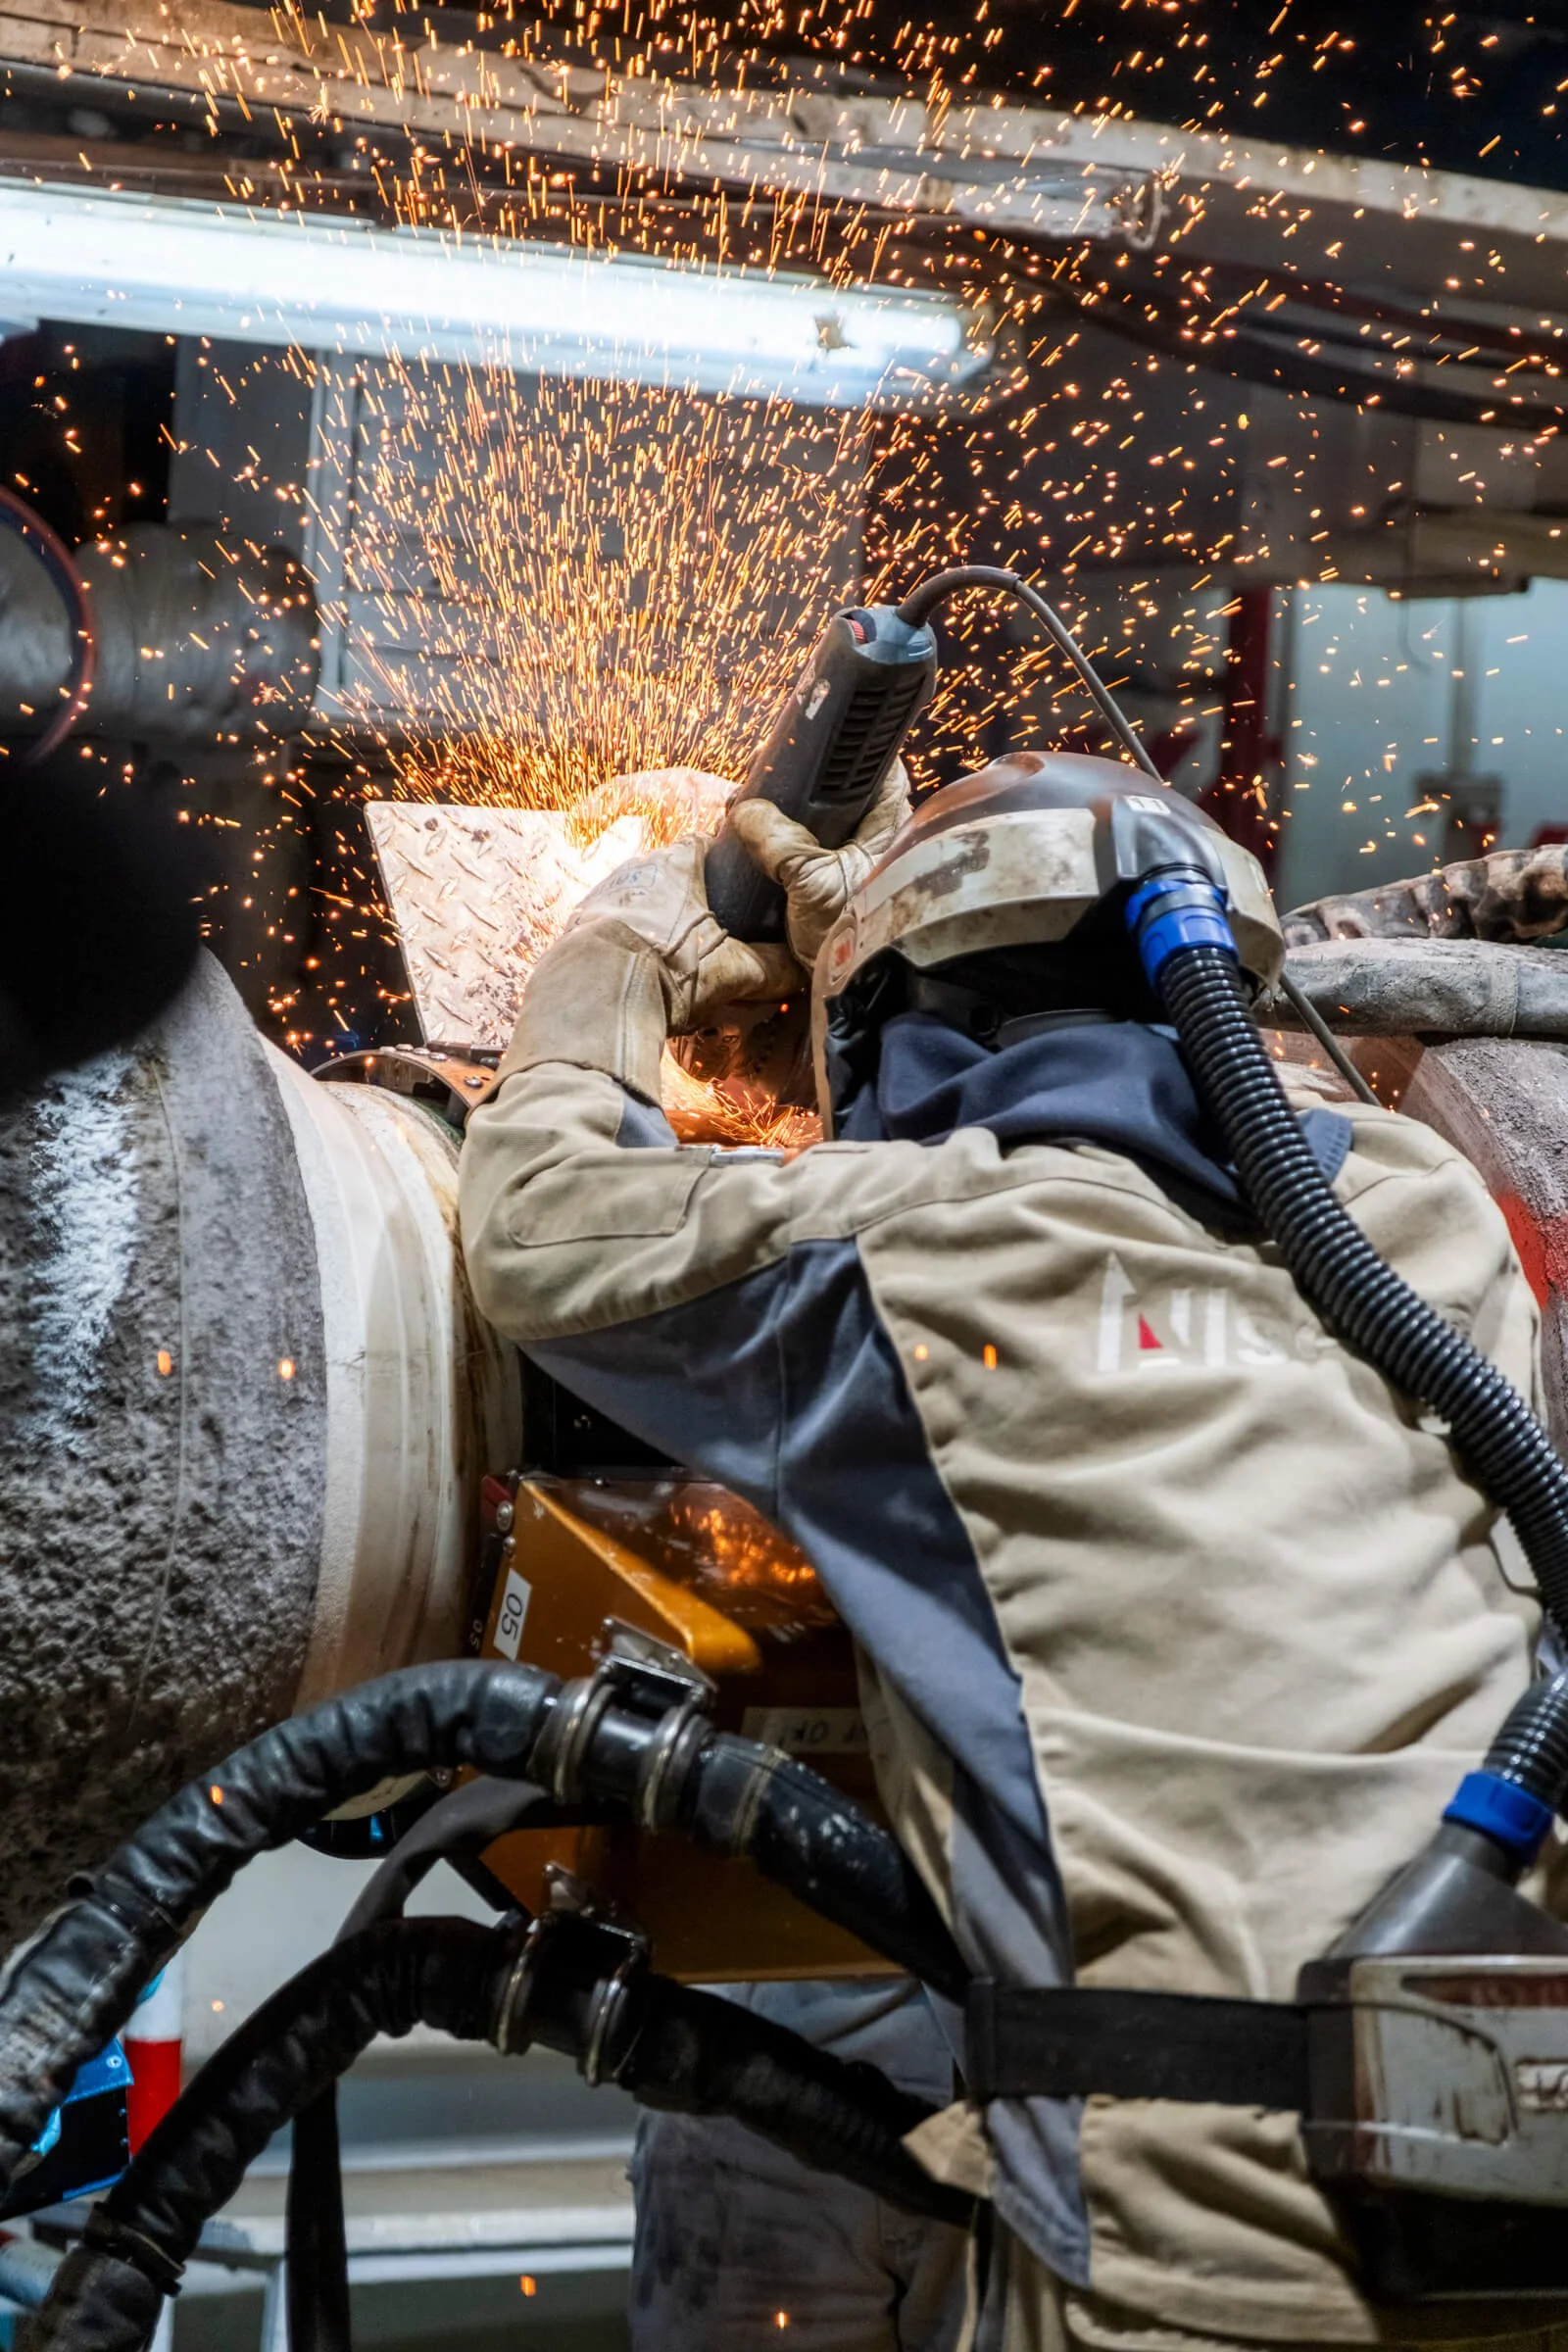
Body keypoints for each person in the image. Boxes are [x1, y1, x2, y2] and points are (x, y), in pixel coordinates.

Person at [459, 749, 1550, 2350]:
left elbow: (541, 1218)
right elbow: (1233, 1175)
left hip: (1189, 2261)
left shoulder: (919, 1245)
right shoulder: (1429, 1223)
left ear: (892, 1035)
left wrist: (626, 952)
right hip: (1508, 2204)